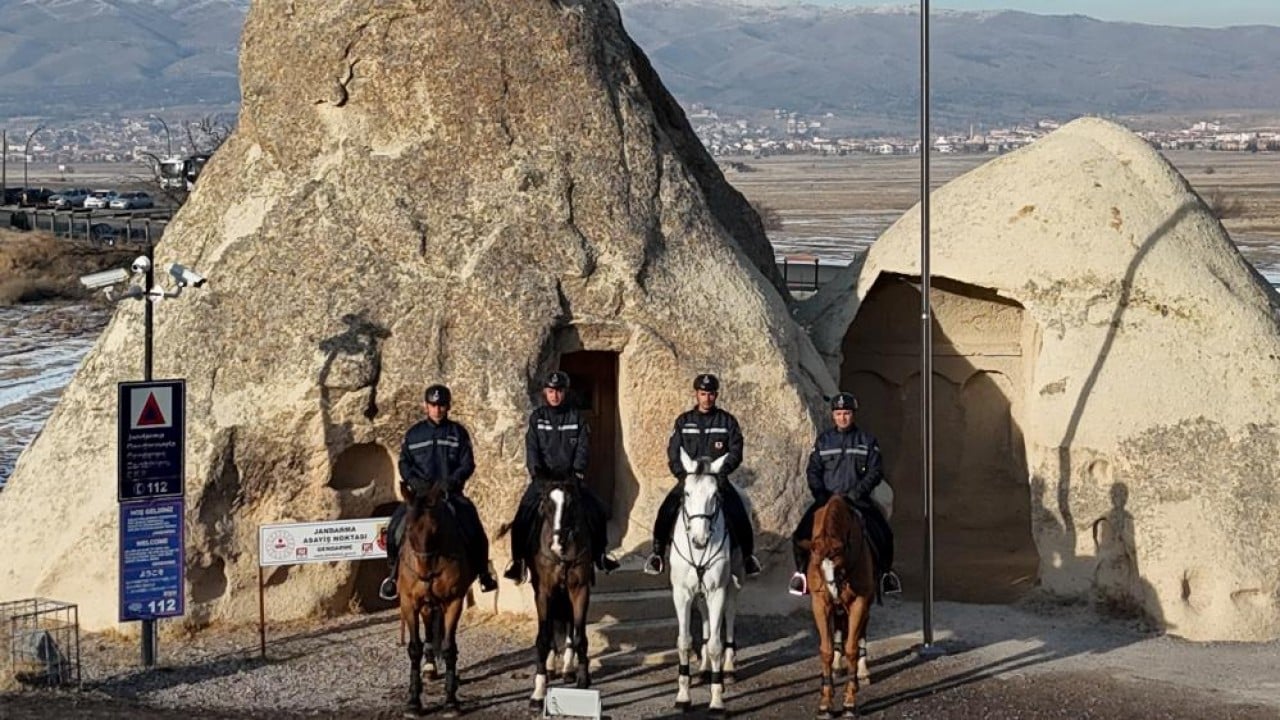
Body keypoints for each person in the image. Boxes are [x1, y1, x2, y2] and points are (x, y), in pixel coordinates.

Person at [380, 384, 498, 601]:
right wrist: (415, 482)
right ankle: (392, 574)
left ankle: (483, 573)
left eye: (442, 405)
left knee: (474, 525)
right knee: (395, 526)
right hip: (420, 496)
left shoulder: (458, 433)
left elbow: (467, 463)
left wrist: (451, 482)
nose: (437, 409)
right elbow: (405, 463)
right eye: (433, 405)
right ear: (426, 406)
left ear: (448, 407)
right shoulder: (414, 434)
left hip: (449, 495)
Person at [504, 371, 620, 583]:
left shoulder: (576, 418)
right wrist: (537, 473)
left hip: (570, 480)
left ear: (565, 392)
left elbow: (583, 449)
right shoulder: (537, 418)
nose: (554, 395)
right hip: (544, 480)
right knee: (522, 514)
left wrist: (577, 472)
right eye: (550, 391)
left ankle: (601, 555)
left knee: (597, 510)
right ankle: (518, 562)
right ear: (545, 393)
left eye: (558, 391)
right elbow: (532, 448)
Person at [643, 373, 761, 577]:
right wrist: (681, 475)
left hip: (717, 480)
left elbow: (736, 451)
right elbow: (673, 451)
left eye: (711, 394)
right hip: (690, 480)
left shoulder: (727, 421)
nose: (707, 398)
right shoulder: (683, 421)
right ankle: (657, 555)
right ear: (696, 394)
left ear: (716, 395)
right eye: (703, 393)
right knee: (666, 510)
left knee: (738, 510)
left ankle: (748, 557)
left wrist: (723, 473)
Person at [788, 392, 901, 597]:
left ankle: (885, 574)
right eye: (839, 413)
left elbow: (875, 471)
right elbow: (813, 470)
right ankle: (801, 576)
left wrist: (857, 493)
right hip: (827, 501)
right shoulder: (823, 441)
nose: (842, 417)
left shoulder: (866, 441)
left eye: (846, 413)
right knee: (800, 534)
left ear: (853, 414)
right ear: (833, 415)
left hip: (857, 501)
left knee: (884, 532)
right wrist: (821, 495)